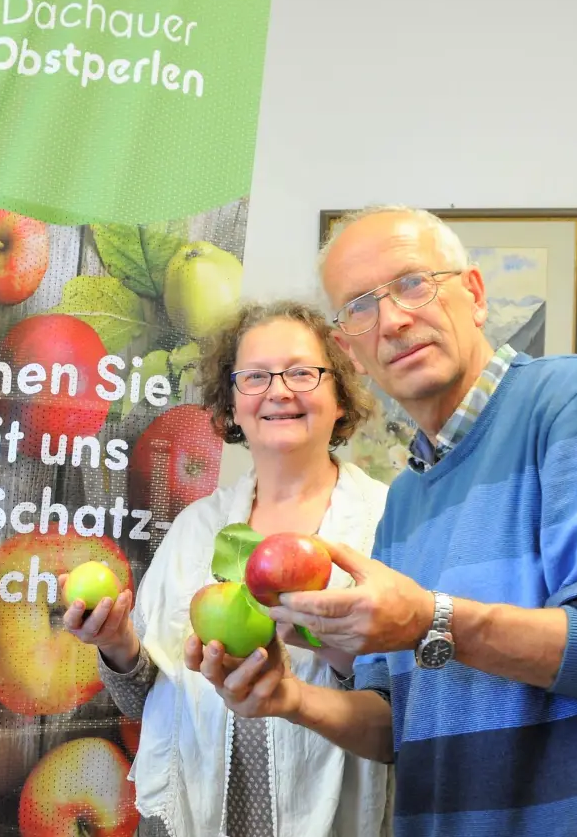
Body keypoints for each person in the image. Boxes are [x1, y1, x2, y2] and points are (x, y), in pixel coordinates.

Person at [205, 204, 577, 837]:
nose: (392, 319)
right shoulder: (407, 500)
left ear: (473, 293)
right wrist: (293, 700)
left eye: (413, 282)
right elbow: (397, 724)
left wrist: (430, 620)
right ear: (351, 353)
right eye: (360, 306)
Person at [62, 299, 395, 837]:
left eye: (302, 372)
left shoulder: (385, 522)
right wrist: (118, 642)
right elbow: (143, 700)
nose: (279, 390)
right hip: (192, 811)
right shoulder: (196, 529)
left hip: (333, 813)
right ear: (233, 407)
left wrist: (322, 637)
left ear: (340, 398)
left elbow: (407, 709)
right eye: (255, 376)